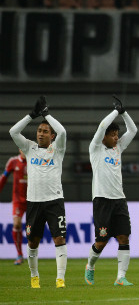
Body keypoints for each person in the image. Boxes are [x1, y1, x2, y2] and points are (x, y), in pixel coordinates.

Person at [9, 96, 67, 289]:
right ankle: (34, 276)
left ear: (52, 136)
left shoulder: (57, 149)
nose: (41, 134)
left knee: (59, 238)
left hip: (54, 201)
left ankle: (60, 279)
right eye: (39, 130)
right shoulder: (29, 148)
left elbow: (63, 131)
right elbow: (13, 131)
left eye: (45, 131)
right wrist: (31, 115)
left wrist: (47, 115)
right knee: (33, 242)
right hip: (33, 202)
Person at [84, 96, 138, 287]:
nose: (116, 138)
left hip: (119, 200)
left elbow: (133, 130)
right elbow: (101, 126)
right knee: (102, 241)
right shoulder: (95, 148)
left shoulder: (118, 148)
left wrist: (123, 113)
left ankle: (120, 277)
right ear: (104, 137)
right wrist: (115, 111)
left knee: (123, 237)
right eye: (113, 134)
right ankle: (90, 267)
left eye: (117, 134)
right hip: (102, 200)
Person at [0, 150, 28, 265]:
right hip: (18, 200)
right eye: (22, 148)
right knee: (16, 224)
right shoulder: (13, 162)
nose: (24, 150)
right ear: (19, 149)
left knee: (33, 228)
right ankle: (19, 255)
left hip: (32, 199)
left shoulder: (33, 161)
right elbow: (4, 177)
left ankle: (32, 254)